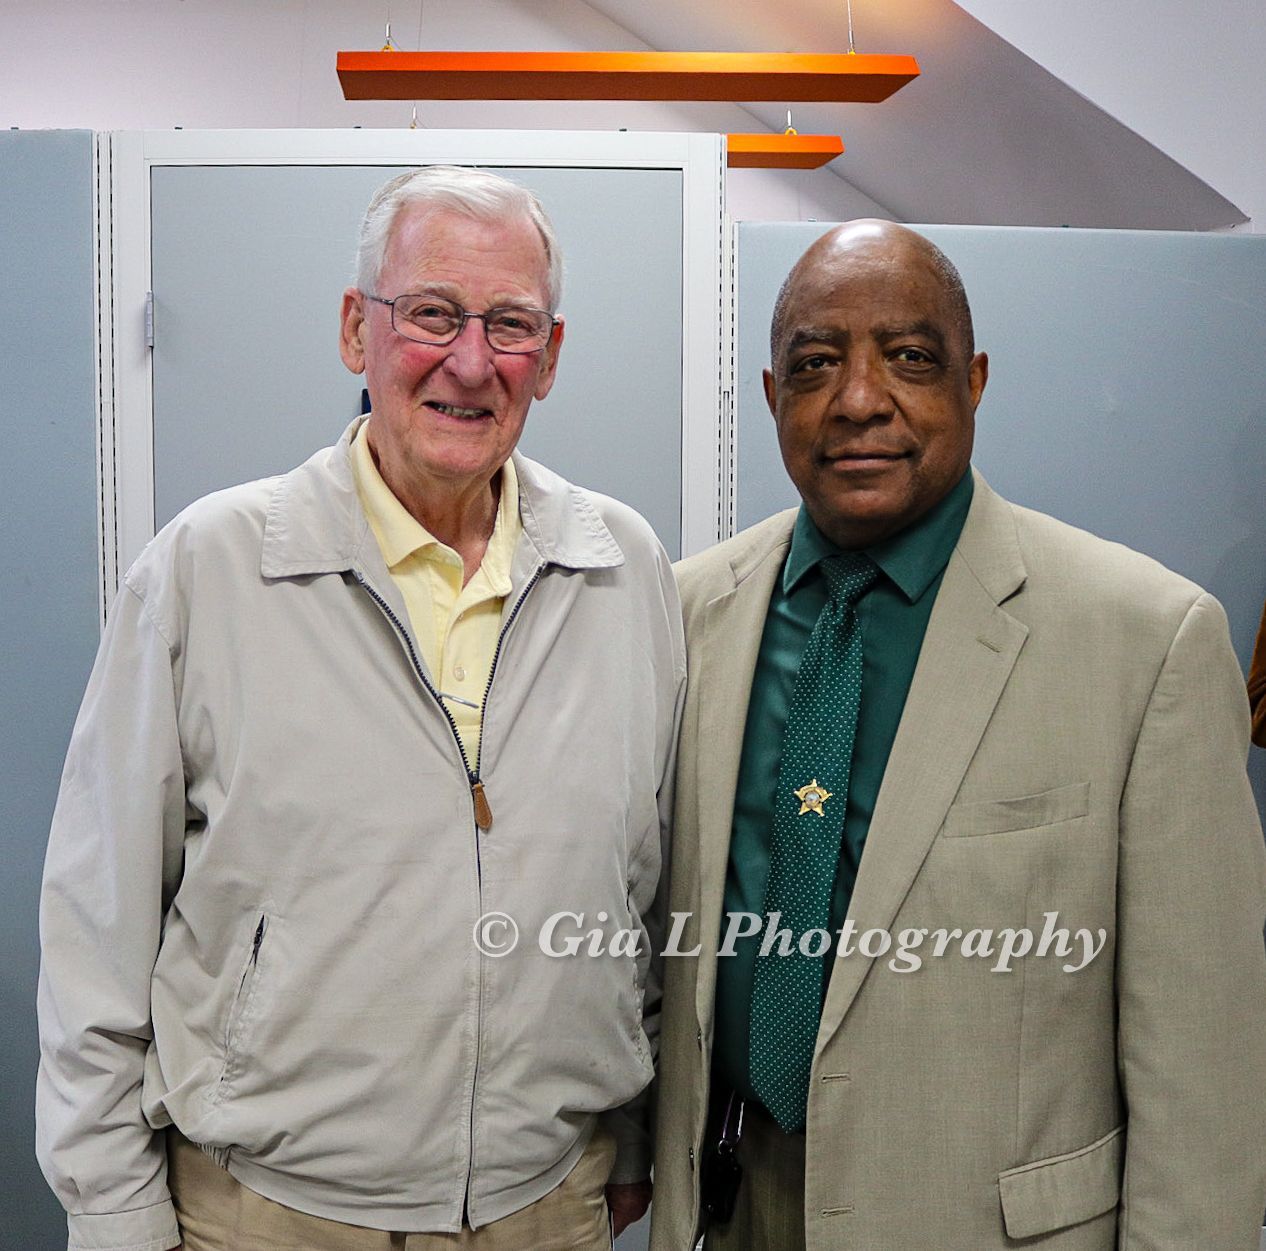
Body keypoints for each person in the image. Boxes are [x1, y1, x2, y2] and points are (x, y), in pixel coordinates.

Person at [37, 165, 684, 1251]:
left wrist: (629, 1129)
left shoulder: (622, 569)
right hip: (267, 1216)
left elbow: (647, 889)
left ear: (552, 356)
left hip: (544, 1208)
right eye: (430, 312)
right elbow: (96, 927)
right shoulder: (210, 570)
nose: (470, 362)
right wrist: (111, 1210)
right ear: (356, 330)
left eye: (511, 325)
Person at [651, 220, 1266, 1250]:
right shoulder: (682, 617)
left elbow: (1203, 1068)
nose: (857, 399)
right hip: (735, 1207)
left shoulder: (1145, 640)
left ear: (974, 380)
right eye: (815, 364)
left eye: (909, 357)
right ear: (772, 398)